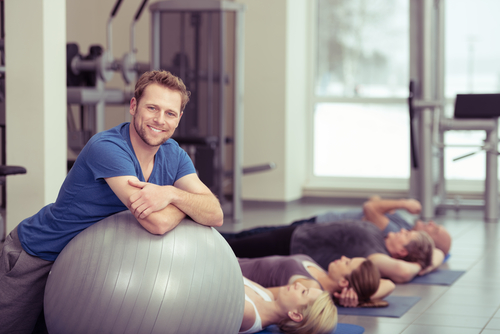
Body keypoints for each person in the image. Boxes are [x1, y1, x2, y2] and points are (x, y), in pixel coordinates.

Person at [0, 70, 224, 334]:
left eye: (170, 113)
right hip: (38, 256)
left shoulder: (174, 155)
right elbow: (157, 222)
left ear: (178, 119)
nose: (160, 120)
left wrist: (172, 194)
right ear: (133, 106)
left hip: (88, 268)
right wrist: (189, 207)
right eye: (152, 108)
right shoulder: (107, 148)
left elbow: (215, 213)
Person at [222, 217, 441, 284]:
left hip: (288, 245)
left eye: (406, 235)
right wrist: (428, 263)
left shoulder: (376, 256)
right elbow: (438, 253)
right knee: (237, 236)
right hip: (296, 230)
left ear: (402, 252)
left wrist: (418, 265)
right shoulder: (381, 238)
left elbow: (402, 273)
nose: (403, 230)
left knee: (228, 246)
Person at [239, 254, 395, 308]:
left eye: (347, 262)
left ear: (343, 283)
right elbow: (390, 284)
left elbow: (261, 294)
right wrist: (358, 295)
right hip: (237, 259)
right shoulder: (324, 273)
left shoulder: (309, 286)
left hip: (232, 271)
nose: (343, 258)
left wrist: (361, 297)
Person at [314, 196, 452, 255]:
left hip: (318, 227)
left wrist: (404, 204)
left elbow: (370, 207)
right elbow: (374, 200)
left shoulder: (395, 232)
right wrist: (380, 206)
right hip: (323, 222)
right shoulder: (405, 227)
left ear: (426, 238)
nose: (432, 223)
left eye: (435, 229)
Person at [240, 276, 337, 334]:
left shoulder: (249, 314)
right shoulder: (266, 294)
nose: (298, 284)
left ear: (295, 314)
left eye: (303, 292)